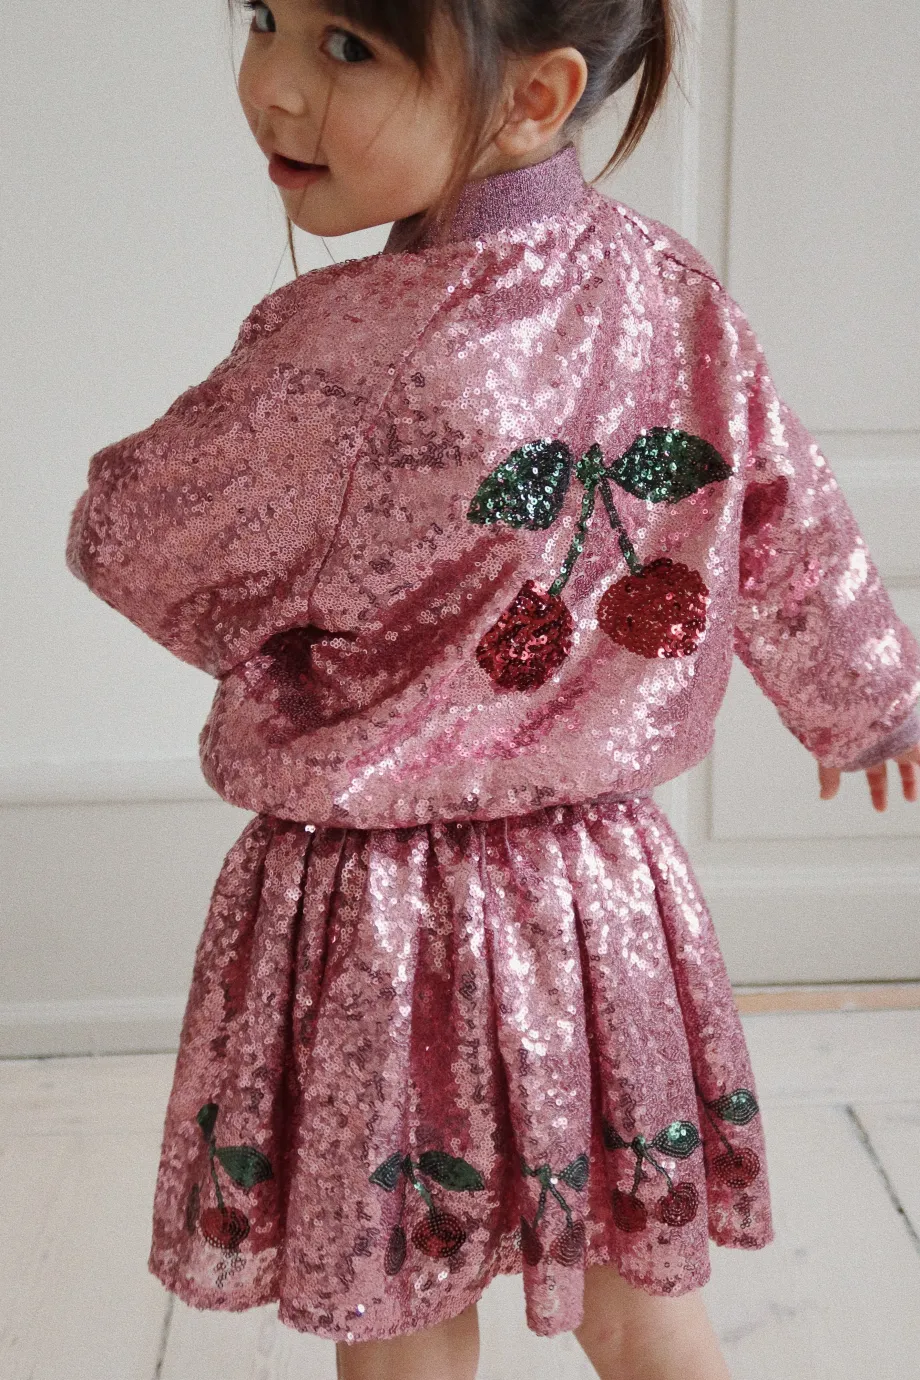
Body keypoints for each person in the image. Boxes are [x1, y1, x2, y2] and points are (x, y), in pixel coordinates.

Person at [64, 0, 920, 1376]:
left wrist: (286, 649)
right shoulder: (669, 289)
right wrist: (866, 694)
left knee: (401, 1301)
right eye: (268, 18)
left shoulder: (336, 351)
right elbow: (781, 505)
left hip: (376, 917)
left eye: (346, 47)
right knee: (639, 1295)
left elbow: (132, 536)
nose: (272, 84)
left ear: (534, 97)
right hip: (600, 894)